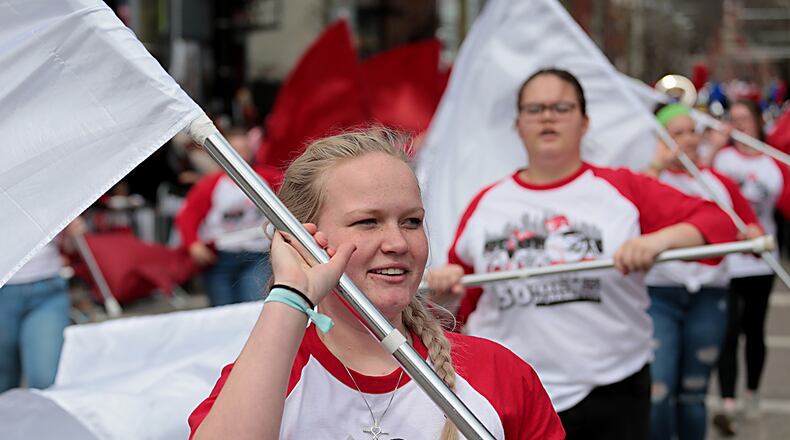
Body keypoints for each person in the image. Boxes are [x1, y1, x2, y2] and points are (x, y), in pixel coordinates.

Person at [187, 130, 564, 439]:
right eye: (367, 222)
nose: (398, 243)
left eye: (412, 221)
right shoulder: (265, 379)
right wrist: (291, 292)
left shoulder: (498, 374)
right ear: (303, 239)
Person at [427, 68, 739, 440]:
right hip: (512, 392)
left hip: (612, 389)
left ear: (585, 122)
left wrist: (657, 242)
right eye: (535, 109)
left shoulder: (622, 188)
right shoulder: (486, 203)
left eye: (561, 107)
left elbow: (720, 223)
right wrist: (445, 292)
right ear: (518, 124)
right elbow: (458, 306)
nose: (547, 117)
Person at [642, 103, 761, 440]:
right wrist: (657, 164)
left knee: (694, 394)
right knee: (659, 390)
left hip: (709, 296)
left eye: (692, 131)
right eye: (677, 133)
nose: (688, 139)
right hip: (659, 295)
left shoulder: (718, 182)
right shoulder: (648, 178)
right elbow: (629, 212)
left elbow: (750, 226)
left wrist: (751, 236)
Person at [710, 99, 790, 435]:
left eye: (745, 118)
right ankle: (728, 402)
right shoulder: (720, 158)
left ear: (758, 123)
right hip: (727, 260)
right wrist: (713, 148)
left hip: (761, 260)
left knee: (754, 330)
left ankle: (752, 392)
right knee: (727, 332)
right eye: (734, 119)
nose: (740, 124)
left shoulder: (773, 162)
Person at [176, 128, 277, 307]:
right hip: (220, 257)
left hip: (256, 254)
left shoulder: (268, 178)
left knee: (254, 307)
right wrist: (193, 244)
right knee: (222, 310)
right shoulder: (211, 184)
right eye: (236, 149)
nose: (241, 154)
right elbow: (188, 216)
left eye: (245, 149)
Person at [0, 219, 84, 392]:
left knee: (45, 381)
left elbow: (71, 249)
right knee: (4, 382)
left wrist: (73, 233)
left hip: (48, 288)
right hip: (4, 291)